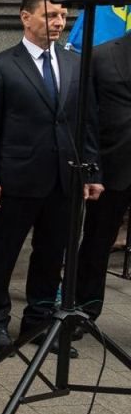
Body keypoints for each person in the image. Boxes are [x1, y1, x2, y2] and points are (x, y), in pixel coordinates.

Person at [0, 0, 102, 356]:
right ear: (25, 17)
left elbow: (87, 123)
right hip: (16, 179)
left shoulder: (77, 64)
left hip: (66, 178)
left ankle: (40, 321)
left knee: (51, 253)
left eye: (62, 15)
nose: (58, 22)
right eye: (50, 15)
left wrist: (93, 173)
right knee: (4, 251)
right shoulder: (1, 66)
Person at [76, 33, 131, 335]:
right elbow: (86, 119)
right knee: (97, 242)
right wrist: (91, 167)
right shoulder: (102, 55)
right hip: (112, 167)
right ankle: (85, 311)